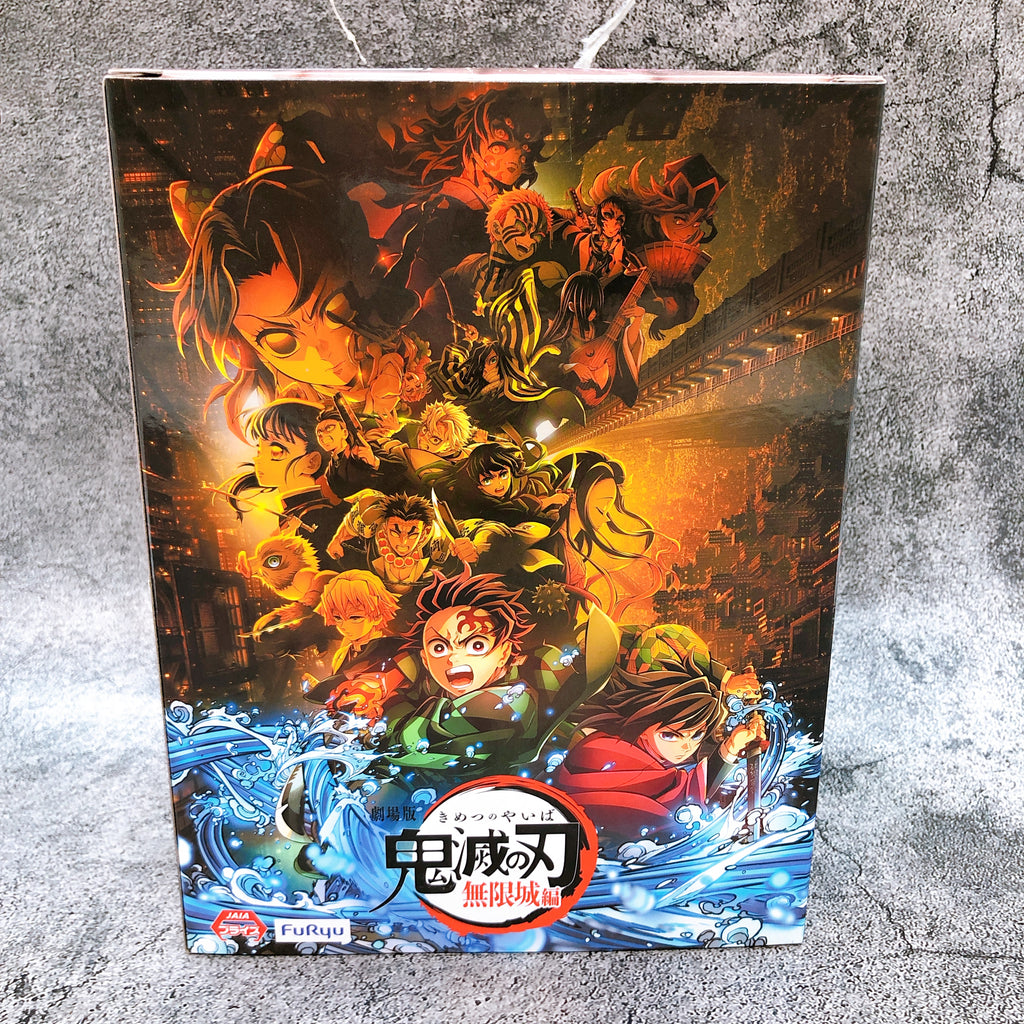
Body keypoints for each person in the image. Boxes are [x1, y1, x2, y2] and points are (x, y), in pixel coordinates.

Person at [160, 162, 409, 438]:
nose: (322, 353)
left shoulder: (407, 322)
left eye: (333, 310)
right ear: (246, 347)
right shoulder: (290, 414)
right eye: (281, 341)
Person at [371, 568, 619, 778]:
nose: (454, 658)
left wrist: (391, 703)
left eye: (476, 645)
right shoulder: (437, 688)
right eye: (439, 648)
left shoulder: (511, 700)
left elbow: (416, 738)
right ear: (425, 659)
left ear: (504, 651)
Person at [554, 624, 766, 843]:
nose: (685, 747)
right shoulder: (607, 752)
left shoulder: (643, 749)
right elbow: (680, 799)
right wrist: (724, 680)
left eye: (696, 735)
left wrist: (732, 745)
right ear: (643, 722)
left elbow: (684, 789)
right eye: (670, 735)